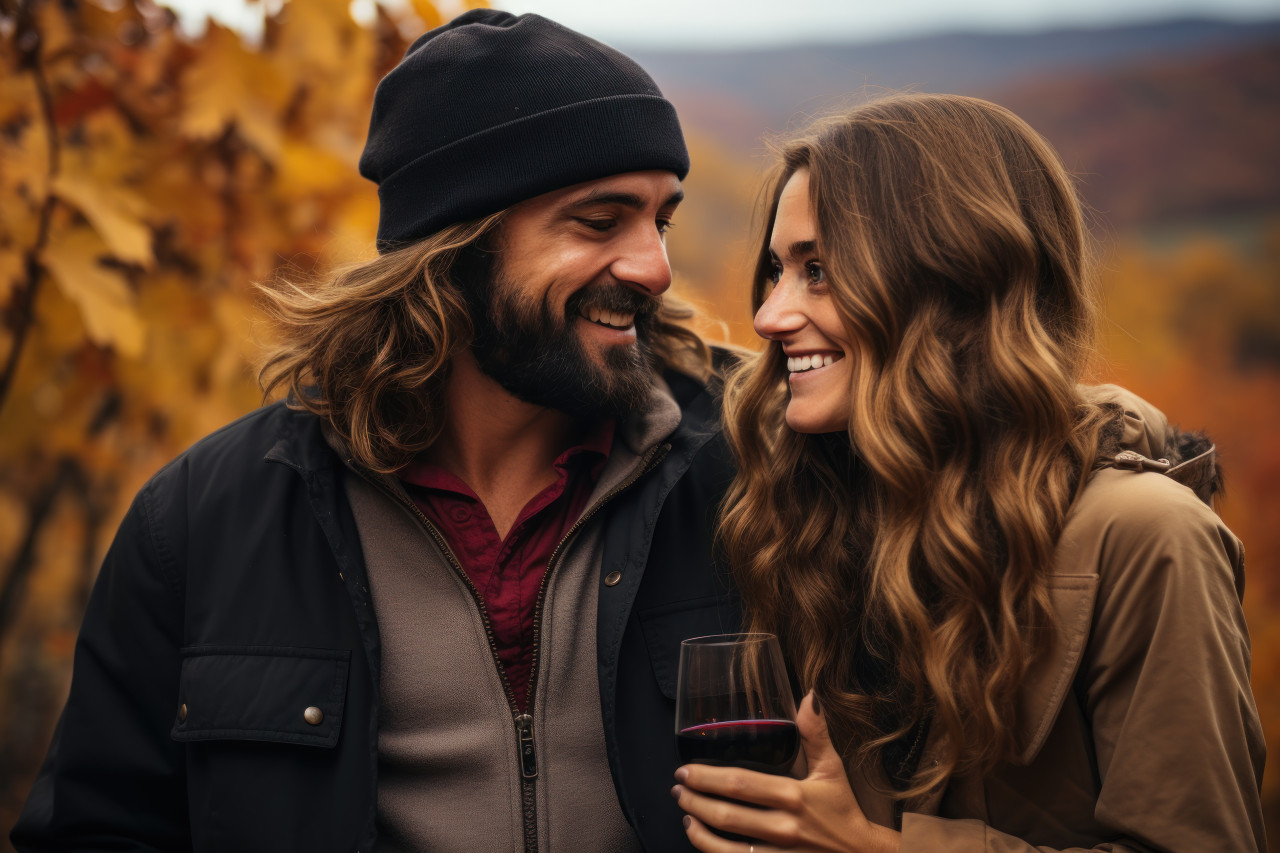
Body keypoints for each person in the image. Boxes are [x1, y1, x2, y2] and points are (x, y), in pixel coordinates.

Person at [12, 11, 738, 852]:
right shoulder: (202, 523)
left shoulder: (747, 475)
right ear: (455, 246)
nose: (654, 266)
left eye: (663, 220)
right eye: (600, 220)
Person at [671, 93, 1266, 852]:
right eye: (776, 272)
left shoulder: (1147, 536)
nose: (770, 315)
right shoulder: (812, 516)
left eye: (818, 271)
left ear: (948, 281)